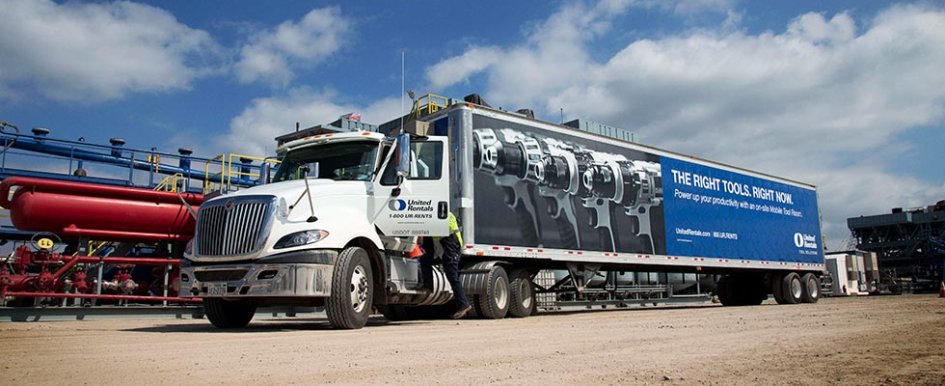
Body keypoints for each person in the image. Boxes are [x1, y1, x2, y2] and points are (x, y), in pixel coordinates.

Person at [419, 212, 471, 319]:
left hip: (451, 248)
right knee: (425, 260)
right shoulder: (438, 212)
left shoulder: (442, 213)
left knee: (452, 276)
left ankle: (464, 304)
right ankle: (428, 286)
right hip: (444, 249)